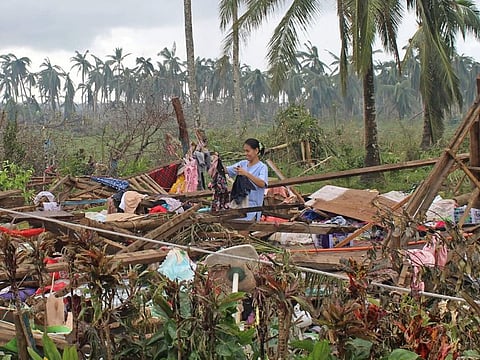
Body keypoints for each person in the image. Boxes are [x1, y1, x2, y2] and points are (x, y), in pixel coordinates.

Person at [226, 138, 268, 221]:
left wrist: (246, 174)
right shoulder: (242, 164)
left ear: (256, 150)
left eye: (248, 151)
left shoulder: (262, 167)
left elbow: (262, 183)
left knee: (243, 232)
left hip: (253, 208)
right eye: (244, 151)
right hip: (239, 206)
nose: (246, 154)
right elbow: (228, 170)